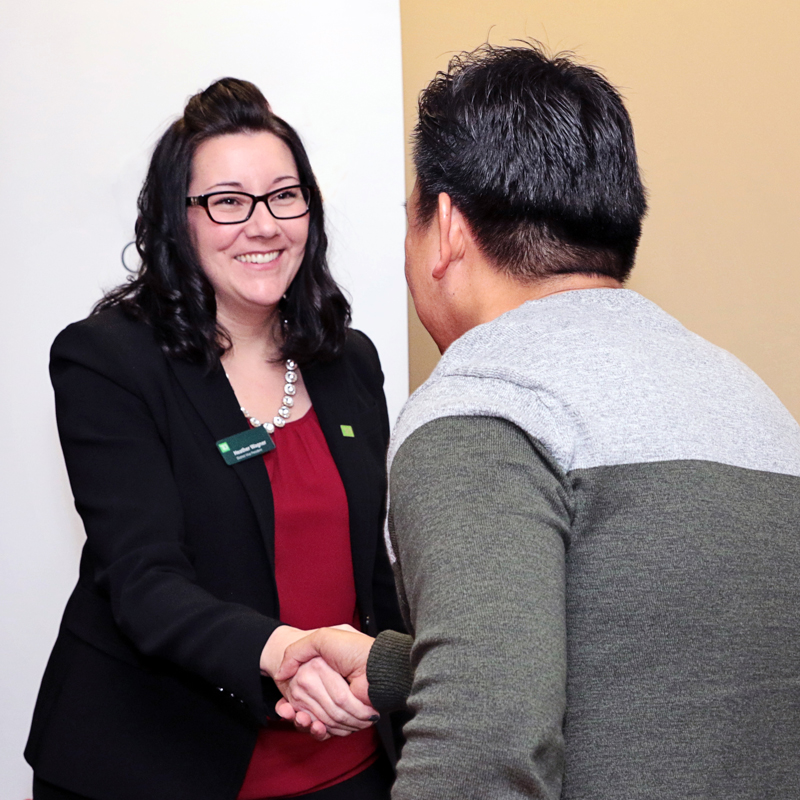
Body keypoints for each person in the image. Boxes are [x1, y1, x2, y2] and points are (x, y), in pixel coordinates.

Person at [275, 44, 800, 799]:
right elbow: (655, 652)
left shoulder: (483, 409)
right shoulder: (750, 401)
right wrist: (398, 666)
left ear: (447, 226)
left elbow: (482, 751)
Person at [25, 78, 404, 800]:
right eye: (228, 201)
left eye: (284, 195)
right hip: (158, 761)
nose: (262, 225)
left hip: (348, 757)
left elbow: (373, 574)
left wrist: (395, 687)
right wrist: (285, 651)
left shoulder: (347, 360)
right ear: (179, 219)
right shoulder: (108, 361)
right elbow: (143, 579)